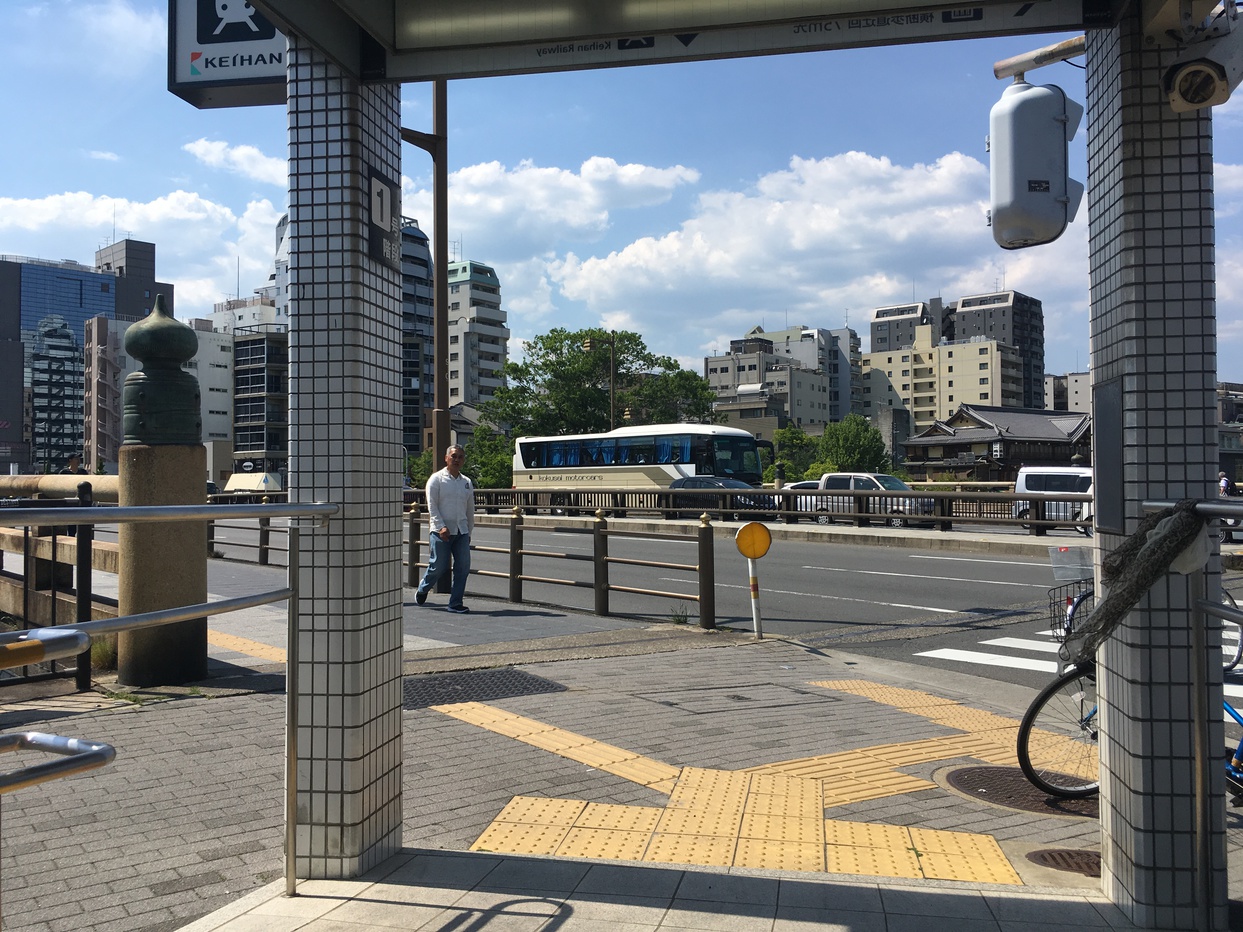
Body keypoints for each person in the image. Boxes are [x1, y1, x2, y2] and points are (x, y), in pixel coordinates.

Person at [415, 444, 474, 613]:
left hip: (461, 531)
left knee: (463, 567)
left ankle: (455, 603)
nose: (457, 460)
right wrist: (441, 526)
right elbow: (431, 506)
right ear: (446, 458)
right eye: (454, 456)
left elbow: (470, 510)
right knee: (438, 566)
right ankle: (423, 588)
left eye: (460, 457)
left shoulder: (466, 482)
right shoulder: (436, 479)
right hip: (440, 532)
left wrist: (469, 531)